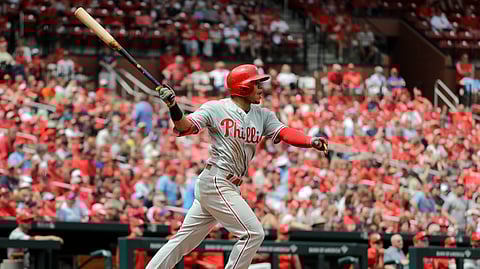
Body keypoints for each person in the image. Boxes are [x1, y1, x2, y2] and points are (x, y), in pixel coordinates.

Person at [145, 64, 328, 269]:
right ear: (242, 87)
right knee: (253, 233)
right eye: (256, 83)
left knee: (184, 241)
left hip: (227, 185)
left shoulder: (263, 115)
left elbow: (284, 132)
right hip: (217, 180)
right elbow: (185, 127)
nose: (260, 87)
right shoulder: (216, 108)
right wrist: (173, 106)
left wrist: (310, 141)